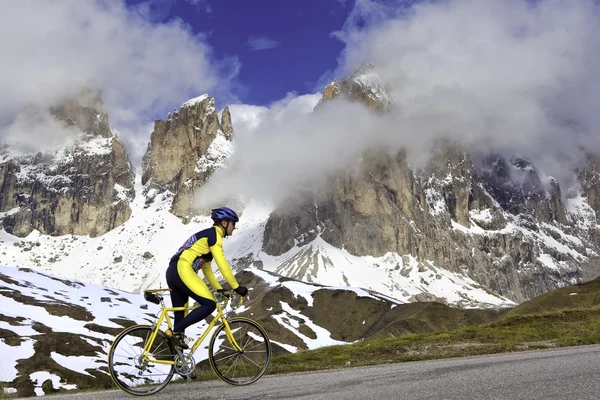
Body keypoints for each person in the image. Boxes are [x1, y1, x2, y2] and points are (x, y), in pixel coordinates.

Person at [165, 206, 248, 349]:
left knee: (180, 323)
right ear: (224, 223)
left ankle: (178, 366)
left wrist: (219, 289)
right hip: (183, 269)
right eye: (233, 223)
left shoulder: (206, 237)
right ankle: (175, 332)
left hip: (172, 271)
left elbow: (207, 269)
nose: (234, 228)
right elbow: (222, 263)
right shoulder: (214, 236)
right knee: (209, 304)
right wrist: (236, 286)